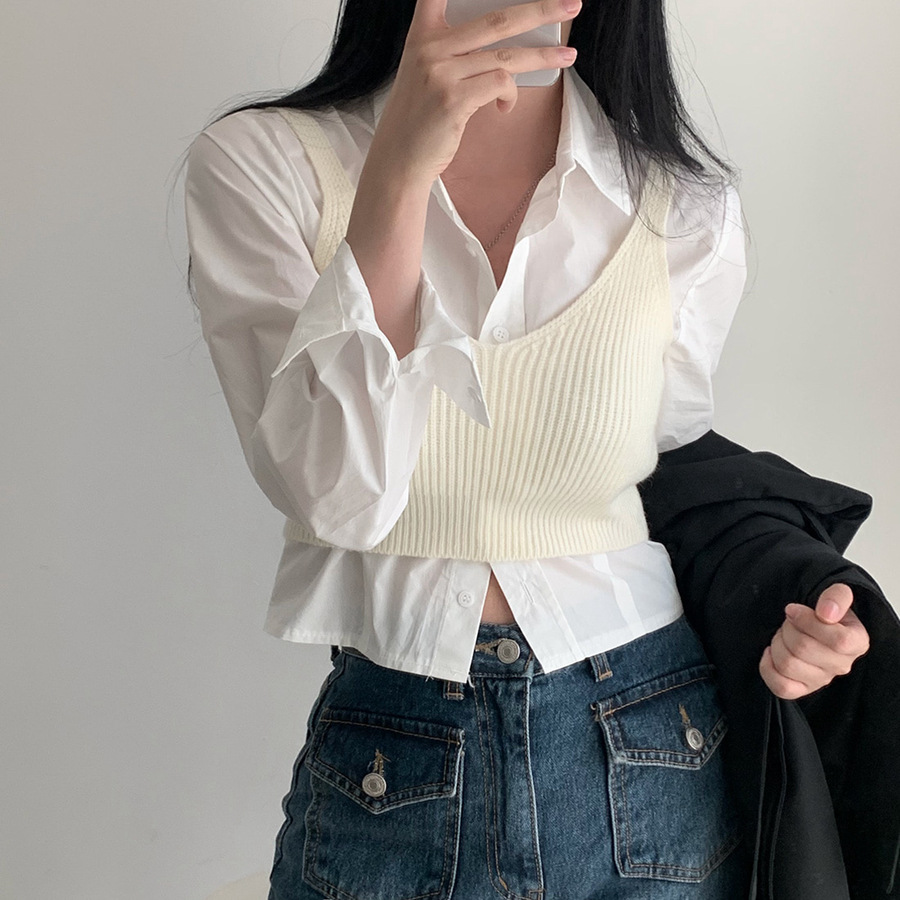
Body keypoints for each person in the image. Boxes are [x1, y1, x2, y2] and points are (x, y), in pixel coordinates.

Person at [182, 0, 870, 897]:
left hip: (650, 737)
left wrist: (791, 615)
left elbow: (664, 469)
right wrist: (397, 176)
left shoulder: (686, 209)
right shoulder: (269, 165)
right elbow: (338, 496)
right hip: (392, 748)